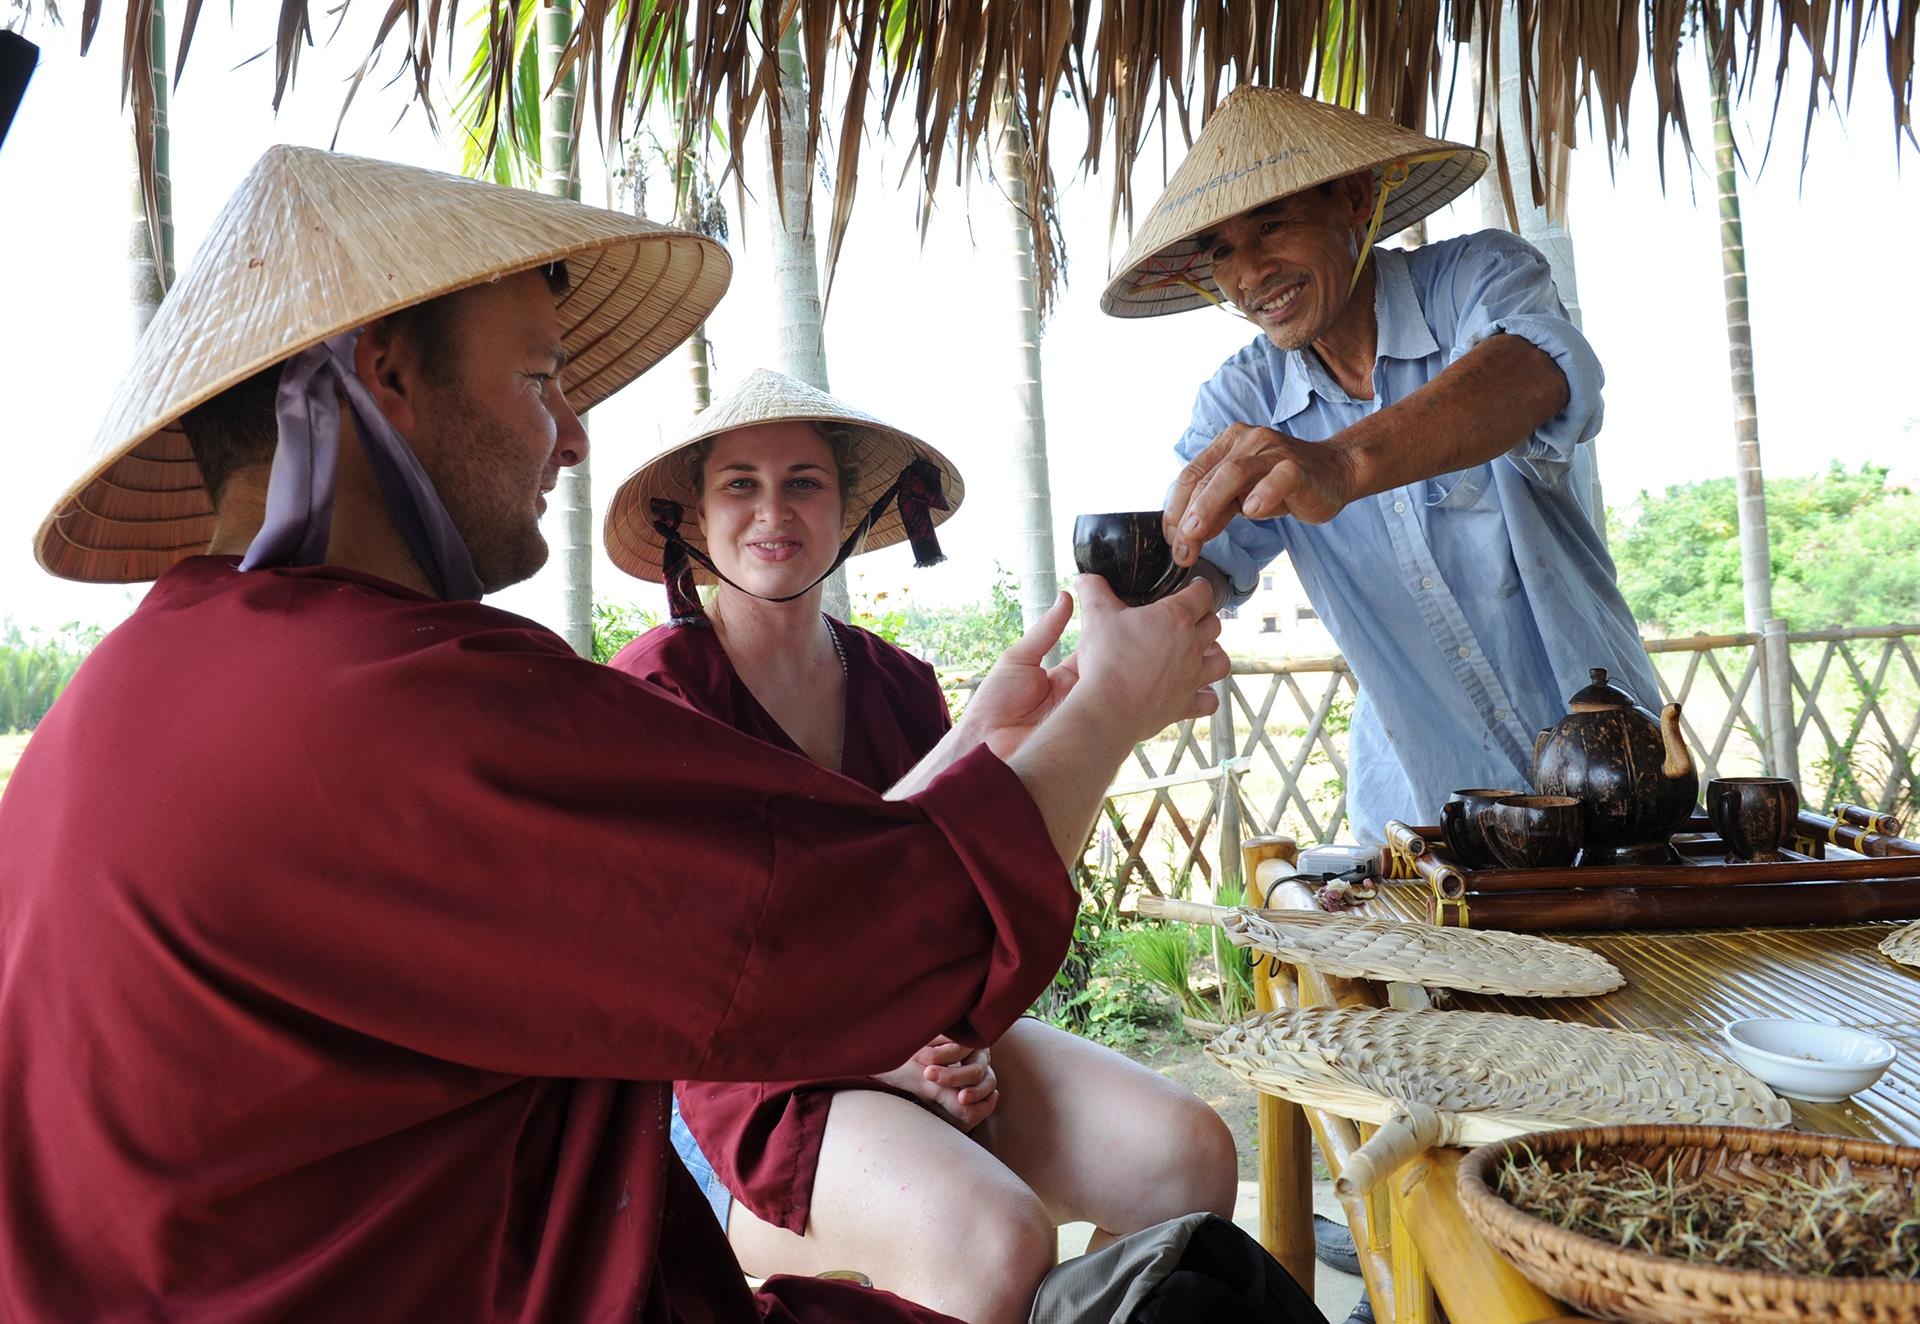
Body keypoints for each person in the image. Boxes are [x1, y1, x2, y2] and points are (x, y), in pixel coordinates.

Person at [0, 146, 1231, 1322]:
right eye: (541, 379)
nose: (575, 435)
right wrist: (1111, 703)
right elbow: (857, 939)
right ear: (387, 377)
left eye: (805, 482)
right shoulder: (407, 705)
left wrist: (1004, 742)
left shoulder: (125, 693)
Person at [599, 370, 1240, 1324]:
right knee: (993, 1239)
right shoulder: (658, 694)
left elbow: (967, 908)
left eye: (804, 482)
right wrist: (878, 1052)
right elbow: (732, 963)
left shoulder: (897, 682)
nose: (773, 510)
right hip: (732, 1093)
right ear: (693, 517)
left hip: (919, 1034)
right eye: (739, 484)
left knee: (1185, 1157)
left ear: (848, 509)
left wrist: (948, 1035)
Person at [1102, 87, 1663, 842]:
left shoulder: (1475, 278)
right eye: (1222, 250)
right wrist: (1134, 611)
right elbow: (1197, 565)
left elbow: (1534, 369)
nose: (1251, 273)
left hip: (1615, 778)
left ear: (1355, 199)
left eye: (1272, 224)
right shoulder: (1242, 400)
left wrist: (1340, 462)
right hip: (1424, 819)